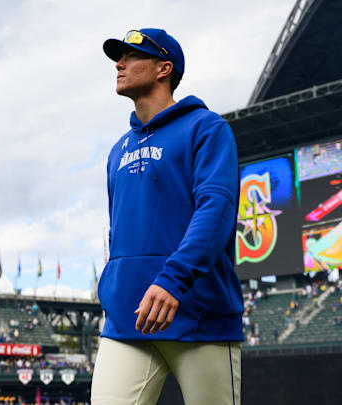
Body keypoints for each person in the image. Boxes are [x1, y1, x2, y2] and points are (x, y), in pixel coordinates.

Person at [91, 28, 243, 405]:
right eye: (118, 57)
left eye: (130, 56)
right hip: (128, 317)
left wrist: (174, 280)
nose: (119, 63)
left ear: (164, 68)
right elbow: (118, 232)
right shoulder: (116, 151)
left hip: (198, 314)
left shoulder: (206, 128)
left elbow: (217, 209)